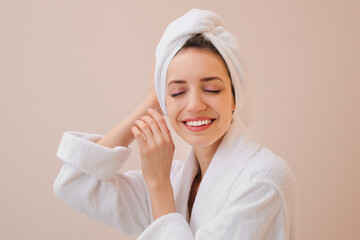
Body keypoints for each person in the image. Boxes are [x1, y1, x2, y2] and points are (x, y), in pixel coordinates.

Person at [54, 8, 298, 239]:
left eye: (211, 89)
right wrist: (151, 103)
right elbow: (74, 182)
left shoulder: (264, 179)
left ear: (235, 97)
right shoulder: (177, 180)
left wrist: (158, 185)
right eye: (177, 92)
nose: (193, 105)